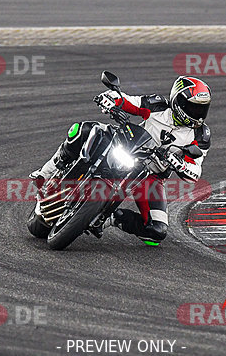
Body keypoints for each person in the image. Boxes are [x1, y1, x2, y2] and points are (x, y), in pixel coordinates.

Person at [30, 76, 211, 246]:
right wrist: (111, 99)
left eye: (202, 108)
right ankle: (47, 171)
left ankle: (109, 217)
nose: (199, 113)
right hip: (126, 143)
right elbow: (128, 100)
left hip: (150, 176)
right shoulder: (158, 105)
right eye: (193, 107)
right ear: (178, 102)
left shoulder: (201, 135)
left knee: (157, 231)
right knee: (82, 129)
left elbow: (195, 171)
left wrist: (179, 163)